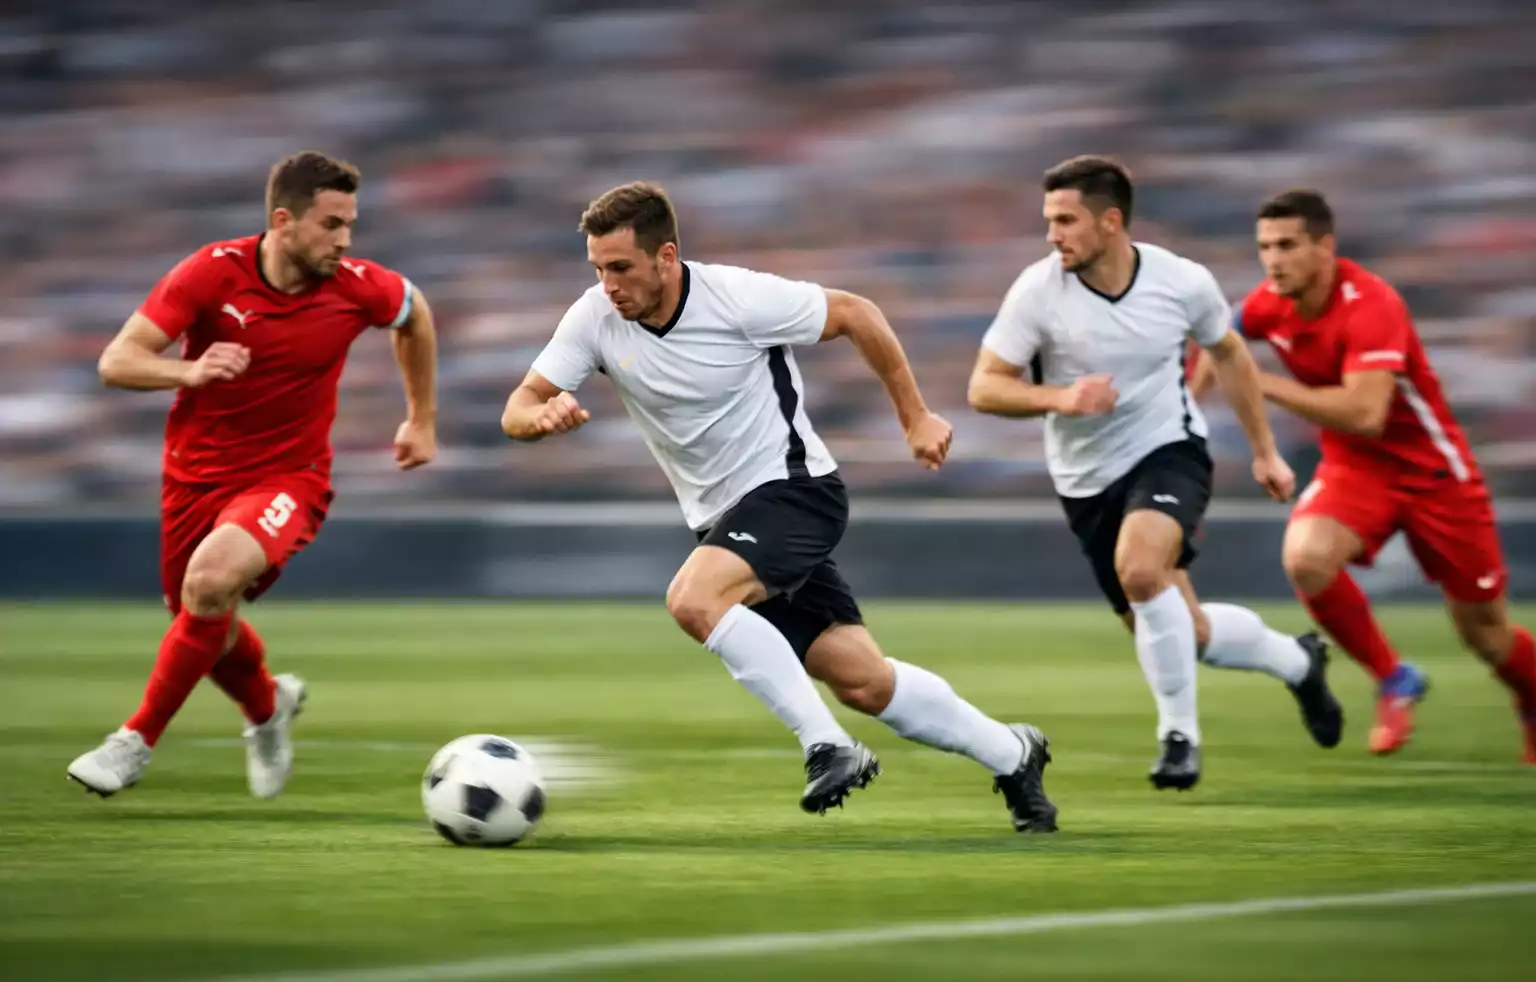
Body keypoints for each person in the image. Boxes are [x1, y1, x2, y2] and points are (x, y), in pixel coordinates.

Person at [501, 182, 1057, 832]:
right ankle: (1013, 753)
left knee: (693, 601)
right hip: (726, 523)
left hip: (795, 493)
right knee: (864, 682)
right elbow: (517, 406)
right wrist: (540, 417)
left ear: (666, 256)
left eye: (620, 267)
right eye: (597, 268)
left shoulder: (738, 298)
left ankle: (828, 747)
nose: (608, 284)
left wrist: (916, 417)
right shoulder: (593, 317)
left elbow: (857, 312)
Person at [66, 151, 439, 798]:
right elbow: (116, 362)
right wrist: (188, 370)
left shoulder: (357, 285)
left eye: (350, 223)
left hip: (287, 479)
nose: (345, 239)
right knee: (201, 614)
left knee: (210, 583)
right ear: (282, 220)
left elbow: (415, 315)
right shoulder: (211, 274)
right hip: (193, 479)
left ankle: (133, 742)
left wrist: (421, 418)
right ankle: (268, 708)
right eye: (330, 224)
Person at [968, 156, 1342, 792]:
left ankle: (1179, 738)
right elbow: (984, 387)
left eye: (1066, 220)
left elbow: (1229, 353)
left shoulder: (1181, 281)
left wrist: (1264, 451)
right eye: (1048, 221)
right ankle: (1297, 661)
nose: (1053, 234)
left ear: (1111, 222)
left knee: (1141, 570)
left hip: (1169, 449)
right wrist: (1062, 399)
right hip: (1084, 479)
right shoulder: (1037, 291)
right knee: (1181, 631)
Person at [1226, 188, 1536, 761]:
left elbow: (1366, 414)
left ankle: (1533, 697)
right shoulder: (1268, 303)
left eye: (1288, 245)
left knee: (1485, 633)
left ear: (1325, 247)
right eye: (1265, 246)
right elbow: (1215, 341)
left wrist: (1260, 383)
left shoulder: (1372, 303)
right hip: (1356, 469)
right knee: (1305, 558)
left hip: (1435, 474)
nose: (1273, 259)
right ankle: (1394, 679)